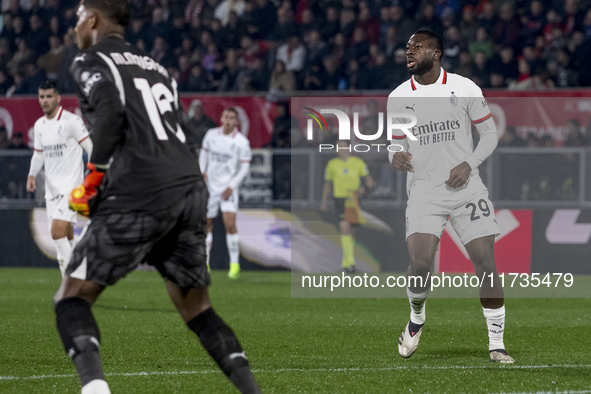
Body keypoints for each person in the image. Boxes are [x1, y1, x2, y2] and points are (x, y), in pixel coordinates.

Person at [54, 1, 260, 393]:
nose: (76, 24)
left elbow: (112, 111)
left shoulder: (90, 60)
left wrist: (94, 175)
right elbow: (177, 129)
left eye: (79, 16)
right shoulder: (156, 66)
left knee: (71, 297)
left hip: (141, 189)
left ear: (93, 20)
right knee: (198, 309)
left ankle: (94, 389)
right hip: (188, 188)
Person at [388, 30, 514, 363]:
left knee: (486, 263)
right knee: (420, 263)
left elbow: (489, 134)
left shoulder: (465, 87)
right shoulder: (399, 96)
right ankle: (417, 317)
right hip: (424, 189)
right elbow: (395, 143)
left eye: (417, 47)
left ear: (437, 53)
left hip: (466, 187)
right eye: (407, 48)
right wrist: (394, 155)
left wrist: (469, 163)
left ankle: (496, 344)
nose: (409, 52)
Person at [26, 81, 92, 276]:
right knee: (67, 236)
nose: (45, 101)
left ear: (57, 98)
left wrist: (94, 174)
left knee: (56, 233)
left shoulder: (72, 121)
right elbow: (39, 154)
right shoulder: (40, 125)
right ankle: (78, 276)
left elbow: (91, 148)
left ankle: (71, 281)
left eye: (48, 96)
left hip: (71, 188)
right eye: (42, 97)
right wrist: (31, 174)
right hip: (52, 190)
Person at [199, 107, 251, 279]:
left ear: (236, 121)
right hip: (211, 186)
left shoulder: (241, 141)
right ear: (221, 118)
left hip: (228, 188)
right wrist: (202, 171)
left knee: (230, 223)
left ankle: (234, 264)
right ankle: (205, 263)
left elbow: (244, 167)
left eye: (232, 118)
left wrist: (232, 185)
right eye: (226, 117)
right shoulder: (211, 135)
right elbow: (203, 154)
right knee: (207, 223)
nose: (228, 120)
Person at [321, 140, 374, 273]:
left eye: (342, 147)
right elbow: (327, 184)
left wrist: (364, 188)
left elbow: (369, 181)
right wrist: (324, 201)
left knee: (352, 231)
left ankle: (348, 261)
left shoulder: (358, 163)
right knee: (344, 227)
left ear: (349, 149)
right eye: (338, 147)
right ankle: (349, 262)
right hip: (339, 199)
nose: (340, 149)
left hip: (353, 200)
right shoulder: (332, 164)